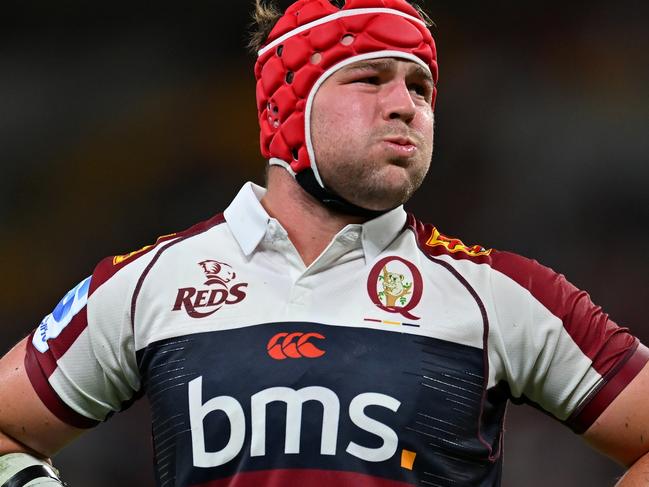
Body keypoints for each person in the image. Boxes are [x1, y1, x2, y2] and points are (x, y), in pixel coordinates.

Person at [0, 0, 648, 485]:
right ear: (283, 108)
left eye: (419, 87)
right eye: (369, 79)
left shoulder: (500, 293)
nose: (406, 105)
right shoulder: (149, 282)